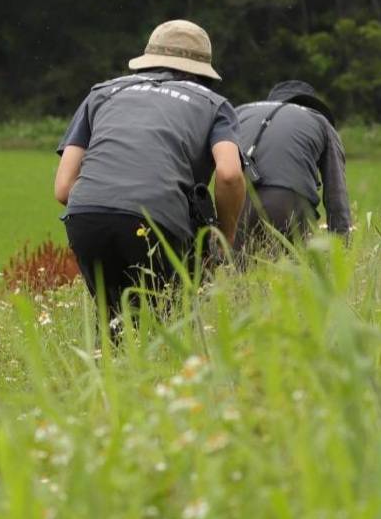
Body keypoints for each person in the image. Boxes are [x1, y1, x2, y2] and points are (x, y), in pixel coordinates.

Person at [54, 20, 246, 319]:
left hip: (86, 216)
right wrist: (226, 236)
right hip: (160, 220)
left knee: (114, 324)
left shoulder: (101, 93)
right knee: (167, 327)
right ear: (201, 72)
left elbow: (63, 188)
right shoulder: (214, 105)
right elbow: (230, 174)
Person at [235, 80, 352, 253]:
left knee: (239, 274)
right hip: (288, 205)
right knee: (292, 274)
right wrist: (341, 247)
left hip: (237, 203)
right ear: (310, 105)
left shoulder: (239, 112)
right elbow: (336, 193)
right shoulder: (320, 121)